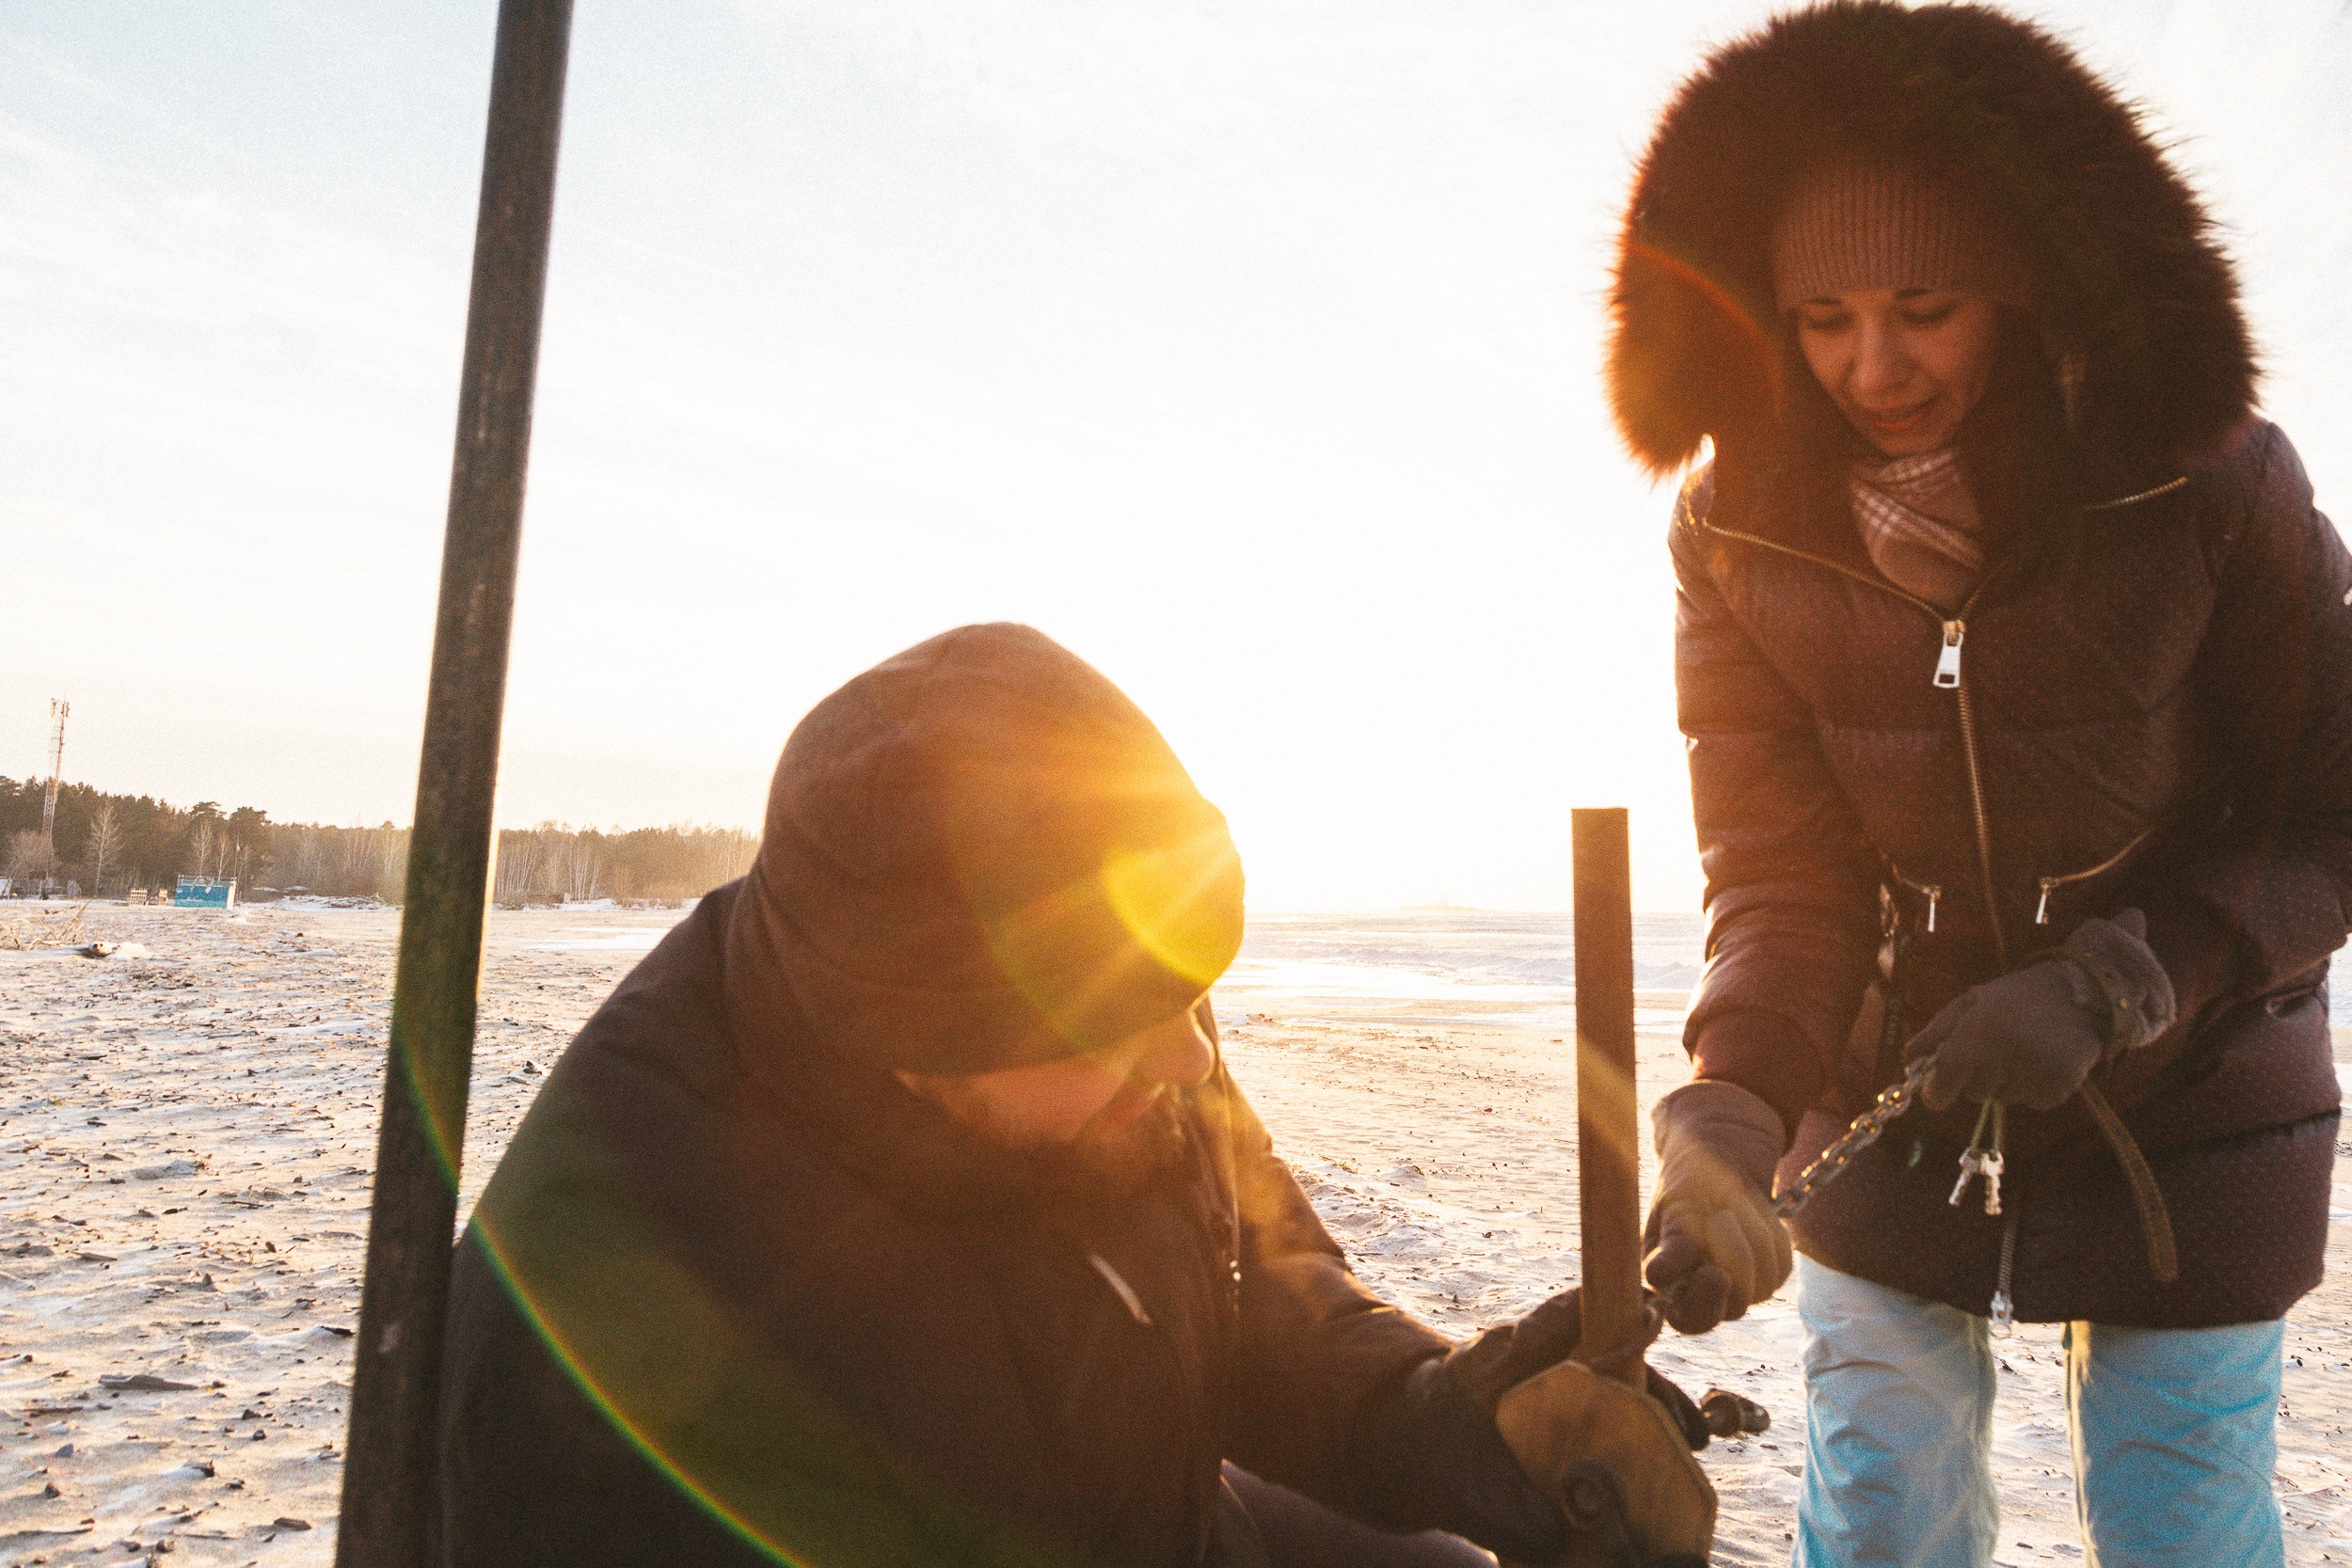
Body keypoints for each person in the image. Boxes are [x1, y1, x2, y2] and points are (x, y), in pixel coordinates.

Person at [434, 623, 1714, 1568]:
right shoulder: (622, 1348)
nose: (1191, 1064)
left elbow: (1249, 1283)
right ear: (916, 1041)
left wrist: (1443, 1419)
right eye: (1116, 1027)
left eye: (1190, 992)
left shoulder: (1107, 1032)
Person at [1608, 4, 2350, 1564]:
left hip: (2196, 1094)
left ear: (2016, 290)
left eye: (1924, 308)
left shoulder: (2209, 479)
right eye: (1822, 319)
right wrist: (1735, 1105)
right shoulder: (1735, 533)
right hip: (1901, 1098)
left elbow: (2324, 812)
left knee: (2183, 1525)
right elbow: (1779, 872)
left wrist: (2116, 977)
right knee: (1881, 1511)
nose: (1874, 366)